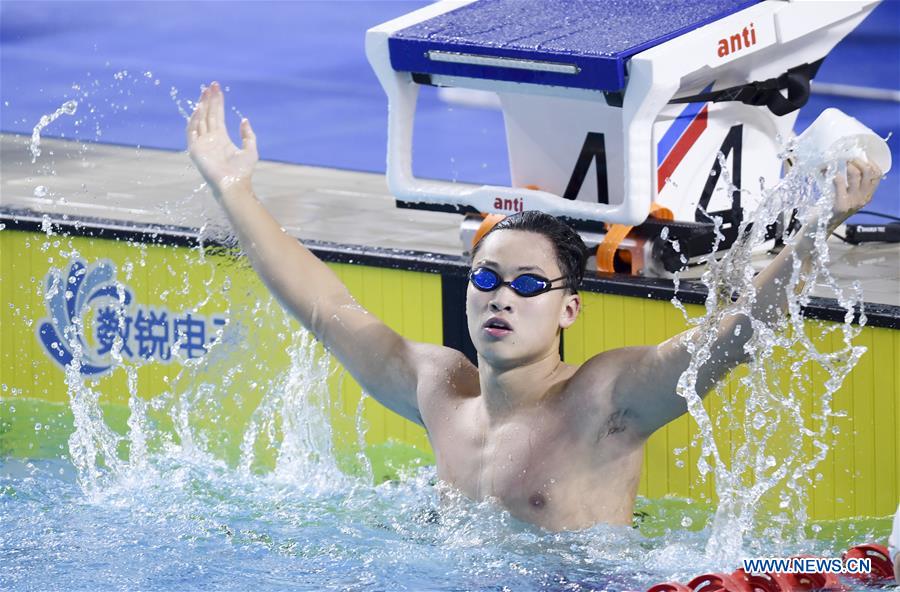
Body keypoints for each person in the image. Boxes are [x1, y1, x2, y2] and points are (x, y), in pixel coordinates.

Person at [186, 81, 882, 532]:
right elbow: (326, 307)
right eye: (486, 279)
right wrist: (234, 190)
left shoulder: (604, 400)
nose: (500, 298)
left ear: (568, 311)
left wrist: (816, 232)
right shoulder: (440, 390)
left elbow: (733, 336)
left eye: (527, 286)